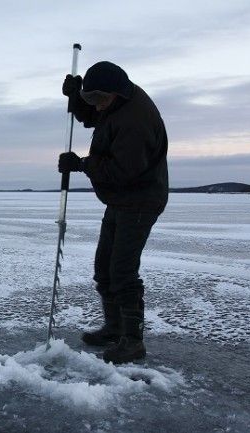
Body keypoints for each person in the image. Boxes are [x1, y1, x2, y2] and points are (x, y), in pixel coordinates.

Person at [58, 61, 168, 364]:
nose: (97, 106)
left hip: (140, 199)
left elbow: (123, 170)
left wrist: (81, 165)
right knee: (104, 268)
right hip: (121, 200)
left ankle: (132, 342)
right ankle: (115, 327)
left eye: (99, 98)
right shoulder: (116, 102)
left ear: (114, 93)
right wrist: (76, 100)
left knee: (122, 271)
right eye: (92, 98)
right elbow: (95, 114)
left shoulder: (137, 120)